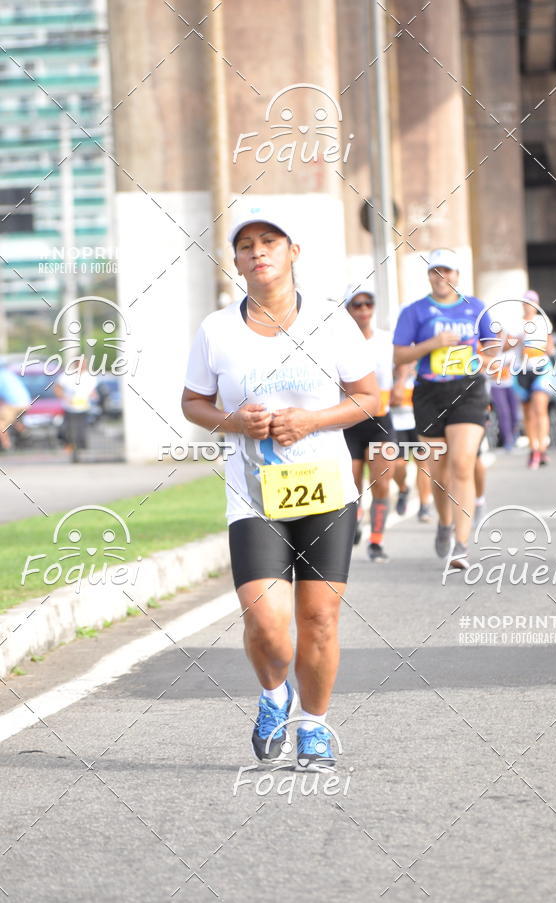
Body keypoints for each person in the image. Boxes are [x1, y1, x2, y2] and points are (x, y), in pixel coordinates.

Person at [182, 209, 378, 771]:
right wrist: (234, 422)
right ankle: (274, 697)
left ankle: (313, 728)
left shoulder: (332, 322)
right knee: (266, 623)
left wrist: (312, 422)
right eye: (246, 245)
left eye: (269, 241)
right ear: (237, 261)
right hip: (253, 492)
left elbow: (370, 397)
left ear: (294, 252)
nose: (257, 251)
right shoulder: (216, 329)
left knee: (319, 619)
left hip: (326, 490)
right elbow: (193, 403)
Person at [393, 248, 495, 568]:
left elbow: (492, 346)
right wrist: (431, 345)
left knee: (462, 464)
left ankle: (461, 545)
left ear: (457, 276)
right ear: (429, 276)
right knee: (437, 474)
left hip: (468, 389)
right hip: (429, 393)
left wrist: (486, 360)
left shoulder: (475, 308)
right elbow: (399, 356)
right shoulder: (415, 312)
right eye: (436, 271)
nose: (442, 277)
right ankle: (444, 522)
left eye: (448, 271)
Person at [342, 285, 395, 562]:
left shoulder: (386, 340)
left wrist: (402, 383)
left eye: (368, 304)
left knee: (382, 484)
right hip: (350, 421)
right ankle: (356, 517)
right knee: (351, 485)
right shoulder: (338, 342)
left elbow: (403, 362)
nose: (363, 310)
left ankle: (376, 542)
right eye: (357, 305)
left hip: (380, 420)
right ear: (348, 310)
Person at [512, 289, 555, 468]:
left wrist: (539, 348)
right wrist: (518, 341)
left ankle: (543, 447)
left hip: (541, 368)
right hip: (521, 370)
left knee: (540, 408)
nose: (528, 306)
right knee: (528, 413)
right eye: (525, 303)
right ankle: (533, 449)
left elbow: (550, 348)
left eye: (532, 303)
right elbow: (506, 345)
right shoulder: (515, 324)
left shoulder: (543, 321)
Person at [390, 364, 433, 522]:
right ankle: (403, 489)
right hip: (396, 424)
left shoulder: (421, 369)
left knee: (423, 464)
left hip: (419, 422)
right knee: (397, 465)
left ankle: (424, 505)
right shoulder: (390, 369)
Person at [54, 356, 98, 463]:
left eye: (84, 364)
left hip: (83, 408)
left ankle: (78, 452)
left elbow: (92, 391)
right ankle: (70, 448)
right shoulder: (66, 376)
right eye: (81, 363)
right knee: (67, 431)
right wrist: (65, 397)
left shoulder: (90, 377)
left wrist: (94, 395)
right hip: (69, 409)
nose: (83, 366)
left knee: (80, 432)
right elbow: (57, 388)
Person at [0, 362, 31, 451]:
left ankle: (7, 446)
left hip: (15, 404)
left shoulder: (1, 376)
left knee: (1, 423)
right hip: (25, 403)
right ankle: (23, 430)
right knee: (9, 418)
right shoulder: (8, 374)